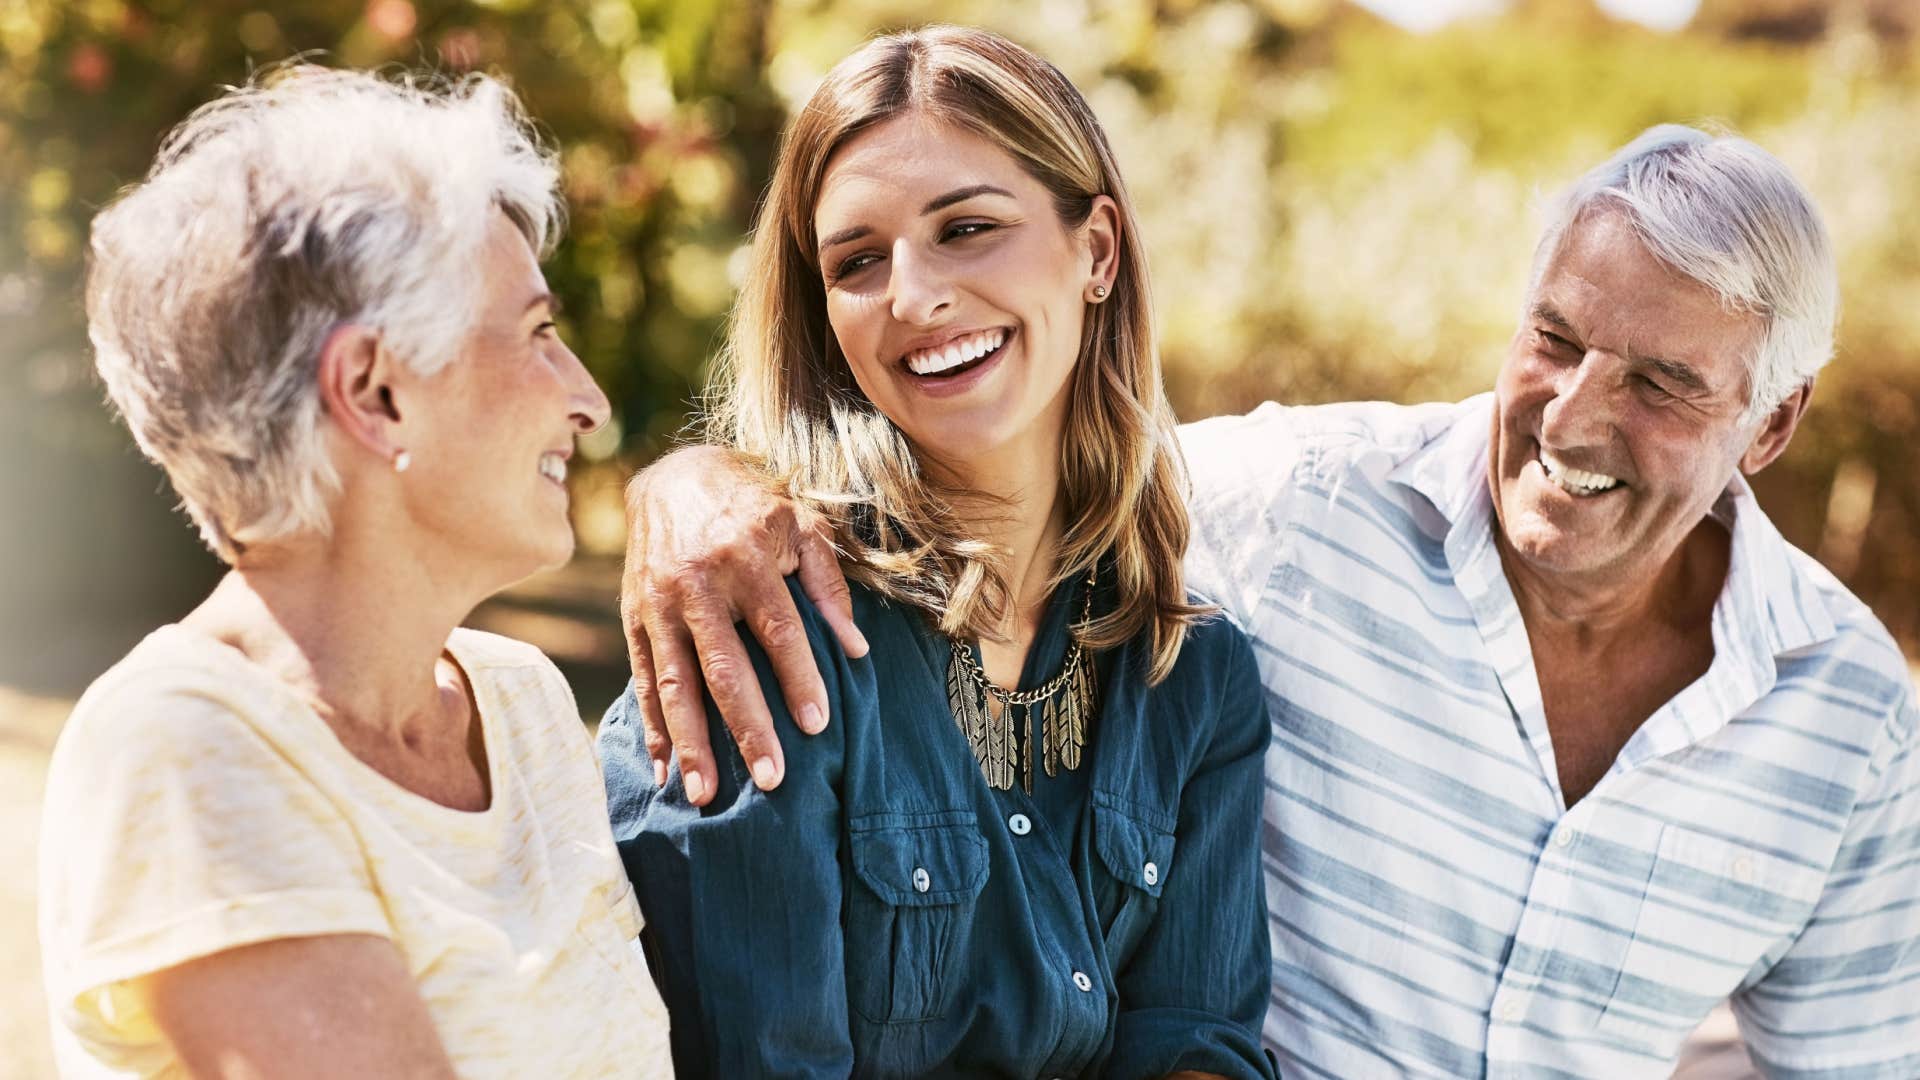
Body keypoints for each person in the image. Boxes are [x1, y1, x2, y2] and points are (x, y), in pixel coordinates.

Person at [619, 121, 1920, 1077]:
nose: (1573, 418)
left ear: (1770, 424)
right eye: (1555, 340)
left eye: (1661, 384)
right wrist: (695, 484)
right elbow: (999, 468)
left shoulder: (1850, 720)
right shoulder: (1294, 501)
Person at [595, 26, 1275, 1079]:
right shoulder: (768, 629)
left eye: (967, 228)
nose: (913, 298)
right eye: (857, 261)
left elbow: (1198, 1042)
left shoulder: (1192, 676)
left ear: (1097, 252)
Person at [37, 67, 673, 1078]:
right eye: (539, 334)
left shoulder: (523, 703)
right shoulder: (185, 741)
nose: (587, 398)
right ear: (374, 392)